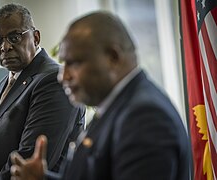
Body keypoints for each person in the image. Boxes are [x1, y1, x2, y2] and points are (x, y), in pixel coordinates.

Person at [10, 11, 190, 180]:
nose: (63, 77)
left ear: (113, 58)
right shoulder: (116, 105)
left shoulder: (145, 118)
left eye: (74, 63)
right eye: (64, 64)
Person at [0, 3, 85, 180]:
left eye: (14, 37)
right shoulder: (1, 85)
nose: (4, 47)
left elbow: (28, 162)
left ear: (36, 38)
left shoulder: (53, 80)